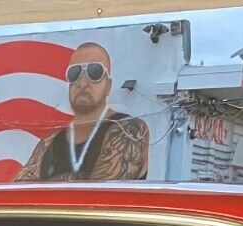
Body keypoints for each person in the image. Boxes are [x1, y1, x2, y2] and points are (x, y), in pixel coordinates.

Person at [15, 43, 150, 183]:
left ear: (108, 86)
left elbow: (101, 196)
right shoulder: (49, 142)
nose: (82, 82)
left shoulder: (128, 129)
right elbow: (18, 193)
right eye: (74, 74)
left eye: (94, 72)